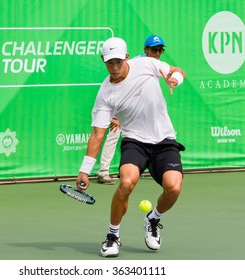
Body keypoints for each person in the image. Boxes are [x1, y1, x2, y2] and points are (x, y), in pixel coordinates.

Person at [76, 37, 186, 257]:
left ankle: (153, 219)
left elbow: (177, 71)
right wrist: (85, 170)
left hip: (164, 139)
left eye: (118, 61)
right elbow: (98, 133)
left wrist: (174, 79)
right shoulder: (105, 93)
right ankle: (112, 236)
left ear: (127, 57)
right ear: (103, 61)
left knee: (173, 188)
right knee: (126, 183)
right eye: (110, 63)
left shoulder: (146, 64)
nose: (115, 68)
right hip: (135, 141)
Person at [96, 35, 168, 185]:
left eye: (160, 50)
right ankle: (103, 172)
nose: (157, 53)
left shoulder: (156, 63)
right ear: (146, 50)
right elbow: (121, 91)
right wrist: (115, 116)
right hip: (123, 110)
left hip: (141, 112)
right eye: (154, 50)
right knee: (114, 132)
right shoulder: (137, 63)